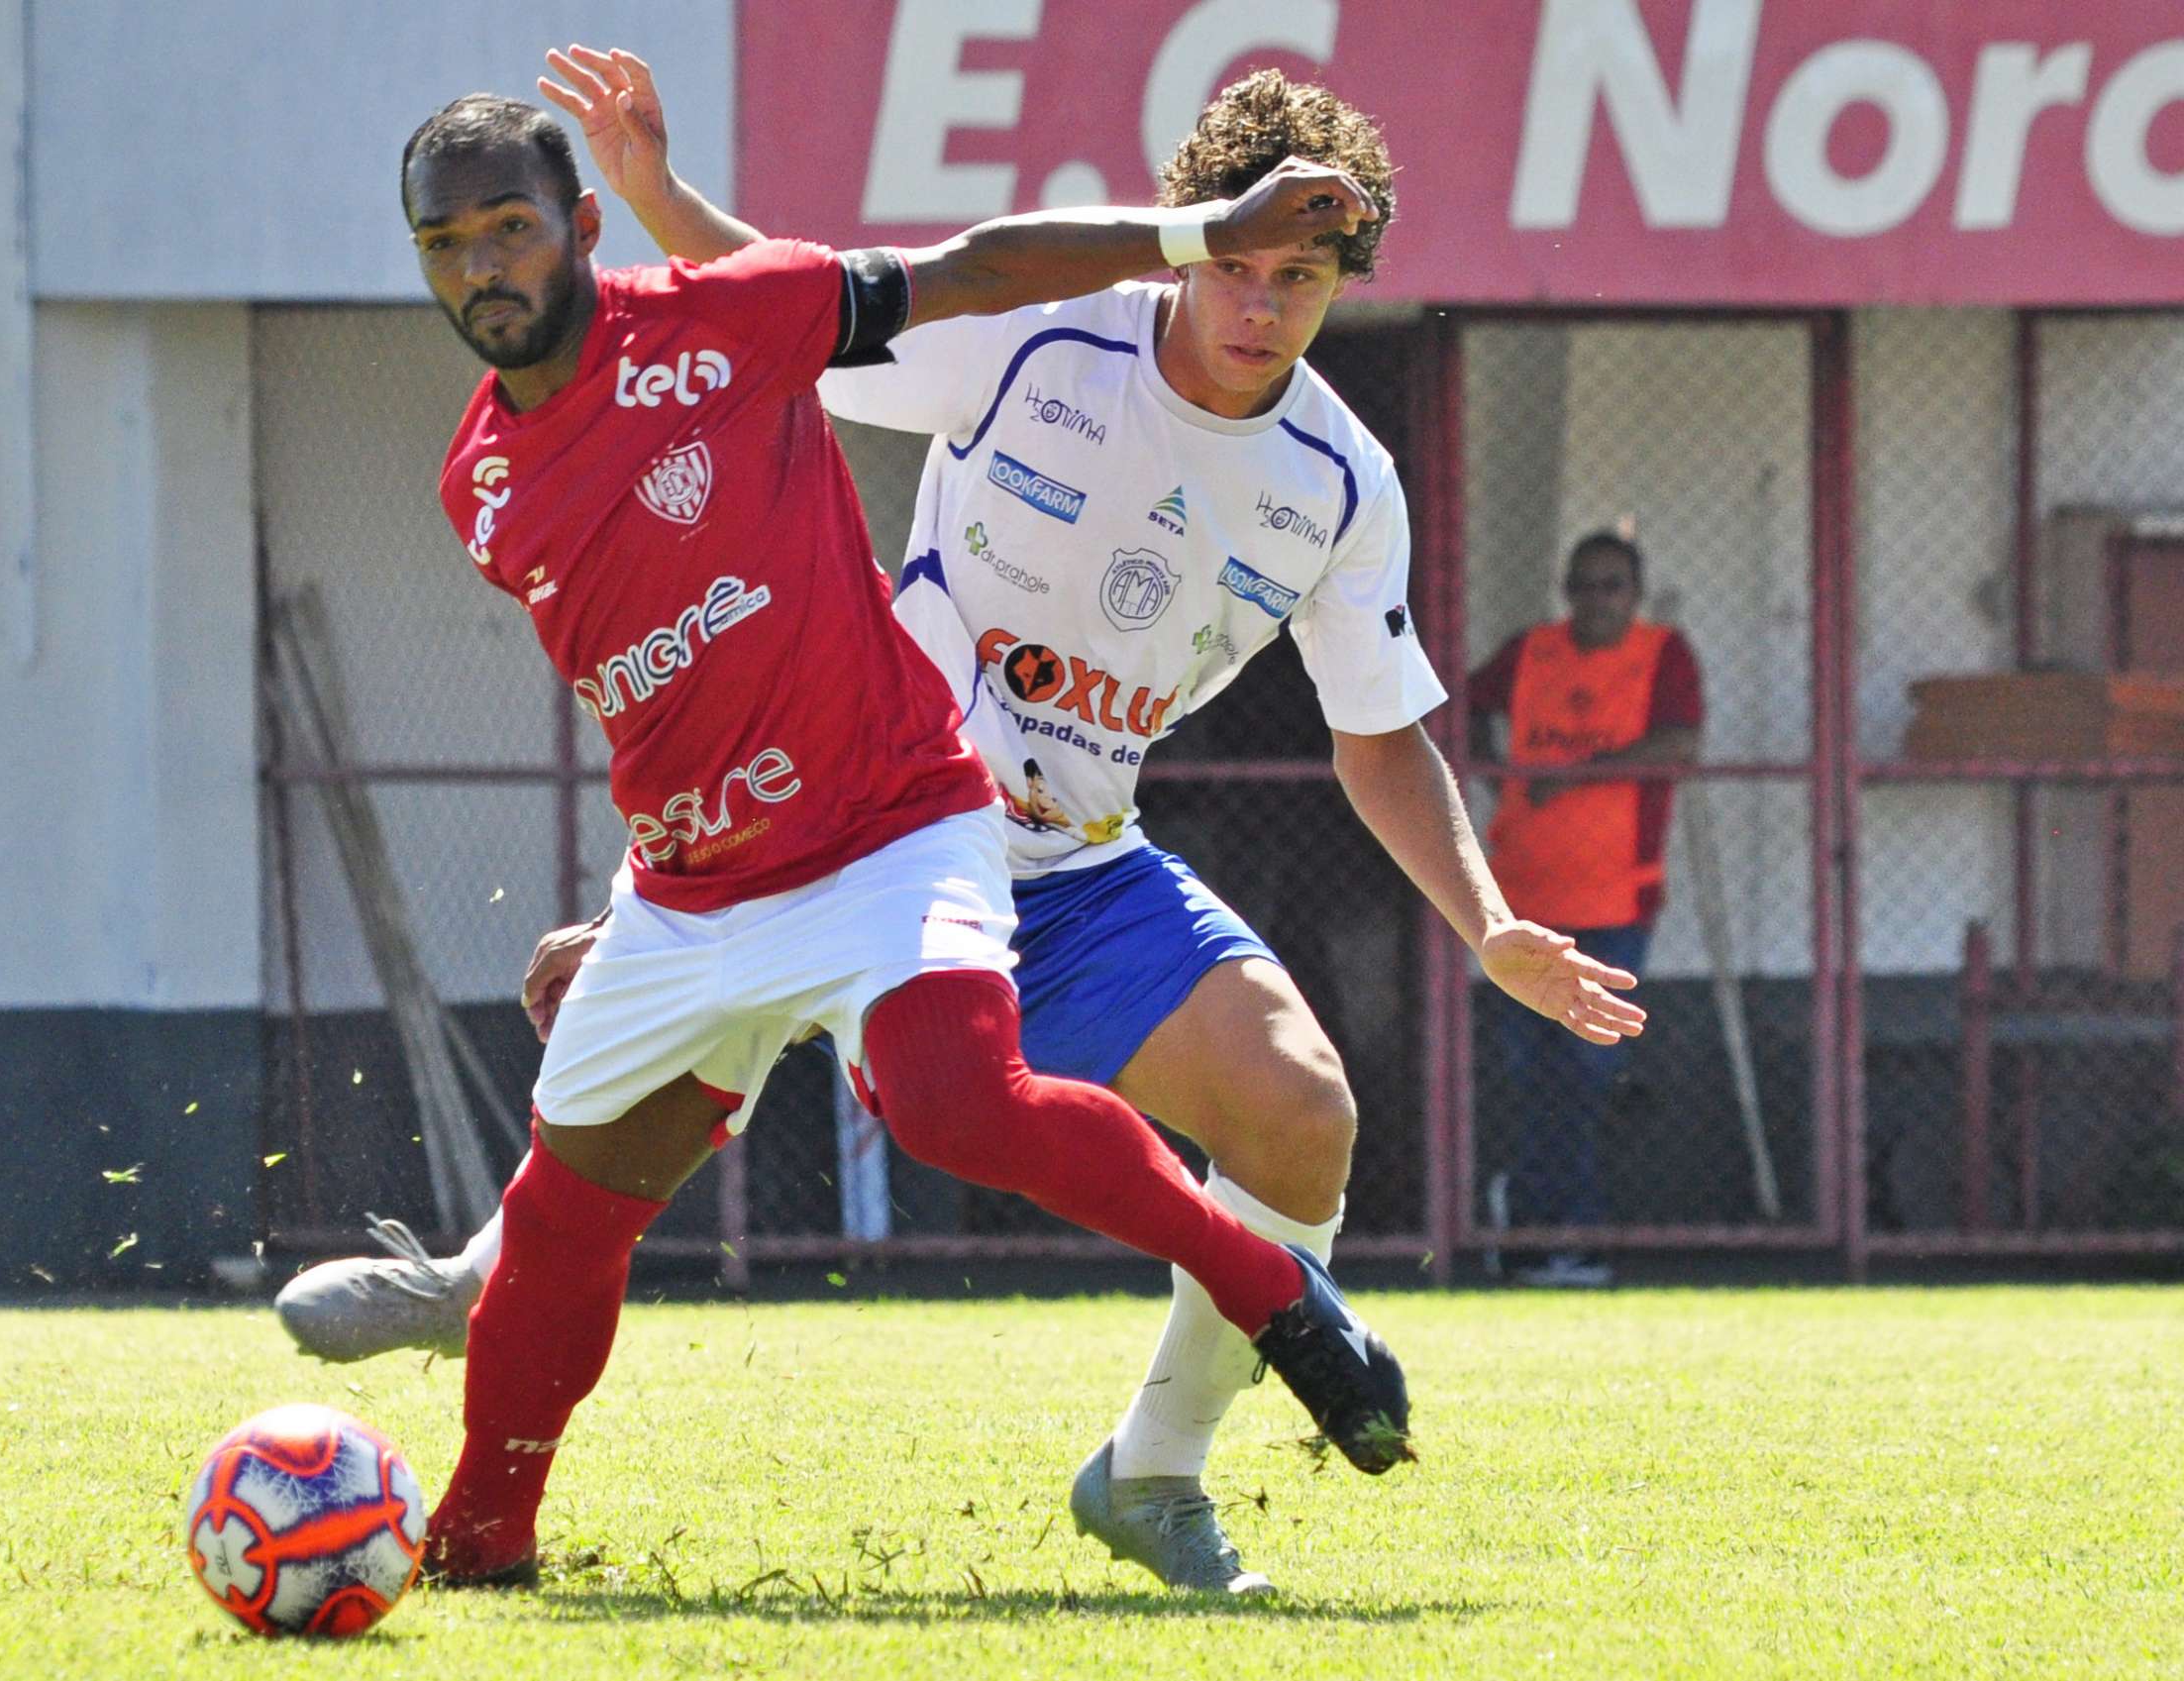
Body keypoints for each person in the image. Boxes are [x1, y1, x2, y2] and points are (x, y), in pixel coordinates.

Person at [284, 52, 1644, 1595]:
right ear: (1191, 231)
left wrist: (1489, 925)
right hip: (847, 811)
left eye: (1304, 275)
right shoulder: (1040, 343)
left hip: (1049, 857)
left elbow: (1384, 734)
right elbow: (776, 318)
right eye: (1238, 256)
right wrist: (662, 206)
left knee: (1296, 1109)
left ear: (1343, 283)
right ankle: (486, 1319)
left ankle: (1155, 1475)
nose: (1259, 301)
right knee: (602, 1183)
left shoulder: (1340, 480)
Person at [1467, 531, 1703, 1287]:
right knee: (1529, 1066)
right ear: (1566, 589)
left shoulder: (1664, 654)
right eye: (1586, 585)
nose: (1597, 599)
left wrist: (1573, 776)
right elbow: (1464, 703)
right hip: (1523, 900)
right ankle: (1539, 1227)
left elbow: (1677, 746)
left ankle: (1563, 1228)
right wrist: (1493, 776)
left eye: (1613, 586)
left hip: (1614, 900)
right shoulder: (1529, 652)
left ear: (1635, 594)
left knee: (1584, 1067)